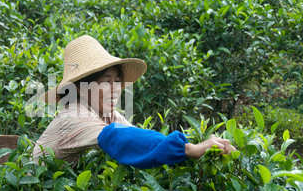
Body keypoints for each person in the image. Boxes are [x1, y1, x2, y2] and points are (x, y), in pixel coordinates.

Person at [31, 35, 235, 168]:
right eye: (106, 82)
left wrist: (201, 143)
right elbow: (118, 137)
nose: (115, 89)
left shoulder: (108, 115)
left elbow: (139, 138)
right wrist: (190, 149)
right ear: (80, 89)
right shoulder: (73, 116)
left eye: (118, 81)